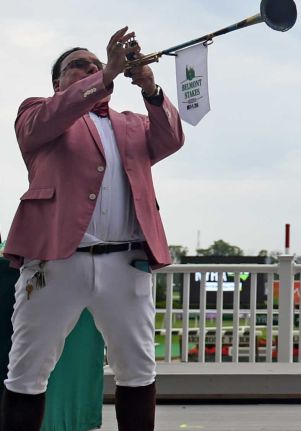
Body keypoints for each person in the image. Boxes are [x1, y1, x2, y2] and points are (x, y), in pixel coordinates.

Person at [1, 27, 184, 431]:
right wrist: (103, 76)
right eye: (77, 66)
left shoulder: (133, 123)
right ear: (57, 83)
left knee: (137, 368)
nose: (91, 68)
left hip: (126, 261)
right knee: (27, 370)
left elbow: (171, 138)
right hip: (55, 261)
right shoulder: (37, 112)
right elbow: (47, 119)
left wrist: (150, 88)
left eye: (96, 64)